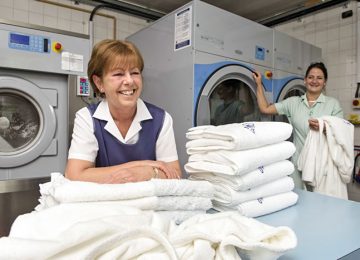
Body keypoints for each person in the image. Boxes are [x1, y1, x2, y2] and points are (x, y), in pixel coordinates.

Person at [65, 39, 181, 183]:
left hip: (148, 203)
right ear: (99, 83)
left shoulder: (161, 119)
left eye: (134, 72)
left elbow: (175, 174)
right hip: (106, 203)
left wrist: (146, 173)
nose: (129, 81)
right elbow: (74, 175)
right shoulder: (87, 118)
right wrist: (140, 167)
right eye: (118, 74)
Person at [252, 62, 343, 189]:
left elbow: (341, 132)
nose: (314, 81)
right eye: (311, 77)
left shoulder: (333, 104)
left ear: (325, 82)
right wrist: (259, 84)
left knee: (321, 204)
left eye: (319, 78)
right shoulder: (293, 103)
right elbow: (265, 109)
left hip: (323, 166)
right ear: (305, 80)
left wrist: (323, 128)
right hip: (298, 164)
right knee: (299, 201)